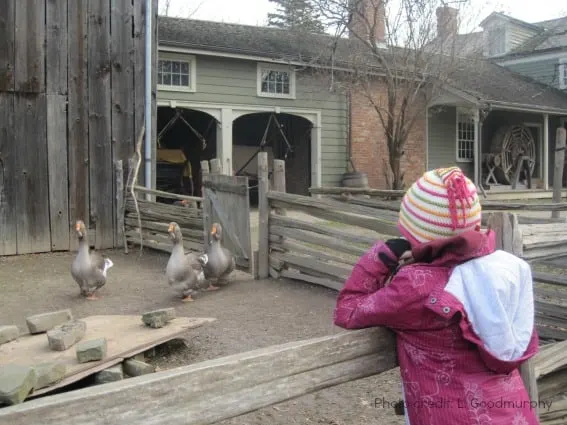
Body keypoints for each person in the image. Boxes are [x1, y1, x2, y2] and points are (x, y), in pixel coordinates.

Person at [333, 166, 539, 425]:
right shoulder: (507, 270)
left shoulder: (415, 287)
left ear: (416, 236)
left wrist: (383, 255)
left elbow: (348, 309)